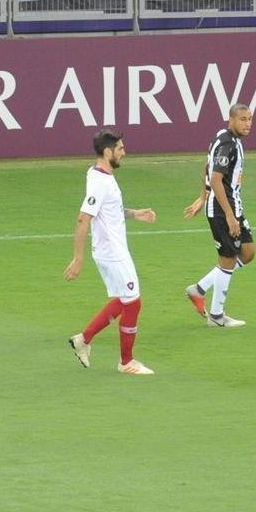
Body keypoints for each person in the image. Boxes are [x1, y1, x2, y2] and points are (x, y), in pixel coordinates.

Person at [64, 130, 156, 376]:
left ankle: (83, 340)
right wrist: (78, 258)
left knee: (123, 300)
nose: (124, 152)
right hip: (112, 253)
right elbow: (84, 218)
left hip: (112, 249)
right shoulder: (100, 182)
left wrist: (134, 213)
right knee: (133, 303)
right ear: (108, 151)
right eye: (120, 148)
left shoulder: (98, 174)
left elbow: (110, 209)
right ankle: (126, 362)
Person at [183, 104, 254, 328]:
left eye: (250, 119)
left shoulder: (227, 139)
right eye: (242, 119)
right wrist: (229, 216)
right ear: (230, 120)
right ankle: (216, 316)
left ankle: (199, 289)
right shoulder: (227, 144)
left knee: (248, 252)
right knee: (228, 259)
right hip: (223, 211)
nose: (247, 123)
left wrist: (201, 197)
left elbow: (207, 167)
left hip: (235, 207)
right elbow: (215, 179)